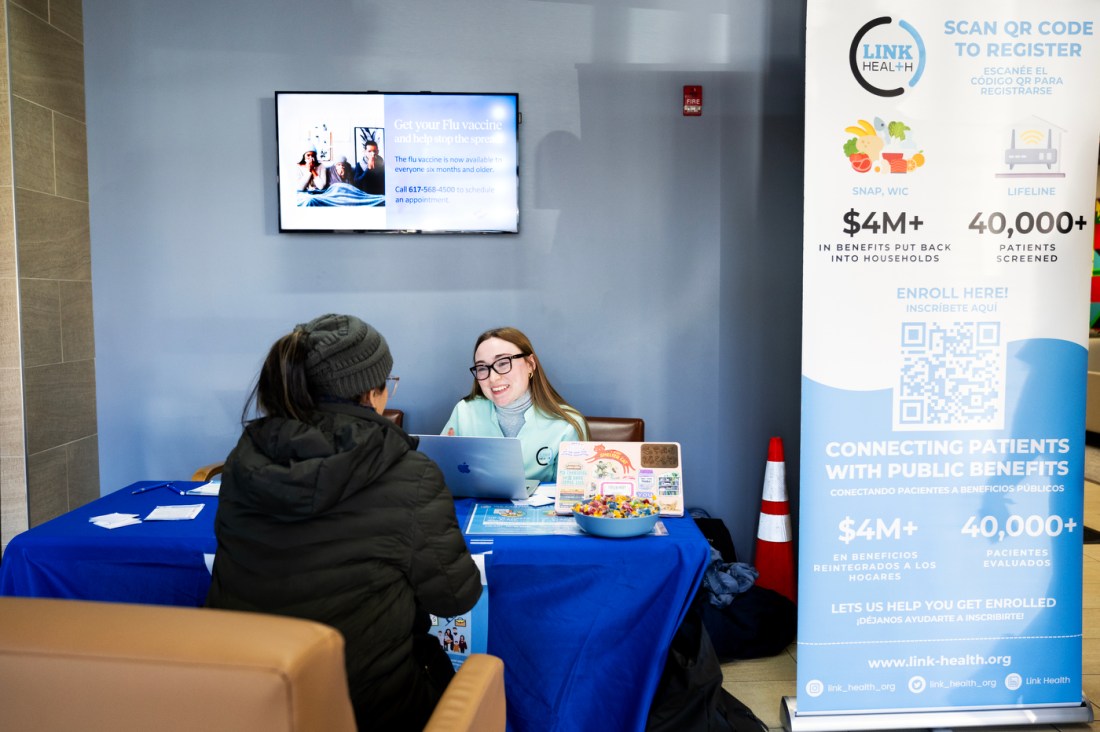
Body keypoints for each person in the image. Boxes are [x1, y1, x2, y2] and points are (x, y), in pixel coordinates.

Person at [206, 313, 481, 732]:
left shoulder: (244, 460)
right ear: (372, 394)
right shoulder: (410, 474)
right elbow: (454, 598)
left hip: (252, 703)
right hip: (372, 708)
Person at [442, 327, 587, 483]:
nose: (493, 378)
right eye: (482, 368)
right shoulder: (464, 411)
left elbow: (572, 494)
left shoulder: (567, 424)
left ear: (530, 364)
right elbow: (440, 475)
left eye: (503, 363)